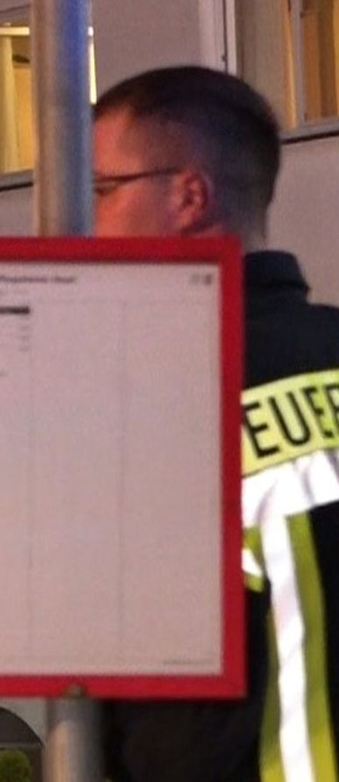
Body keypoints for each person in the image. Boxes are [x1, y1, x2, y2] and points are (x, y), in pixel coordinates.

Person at [94, 66, 339, 782]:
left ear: (188, 195)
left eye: (104, 190)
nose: (86, 219)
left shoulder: (162, 395)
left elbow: (161, 714)